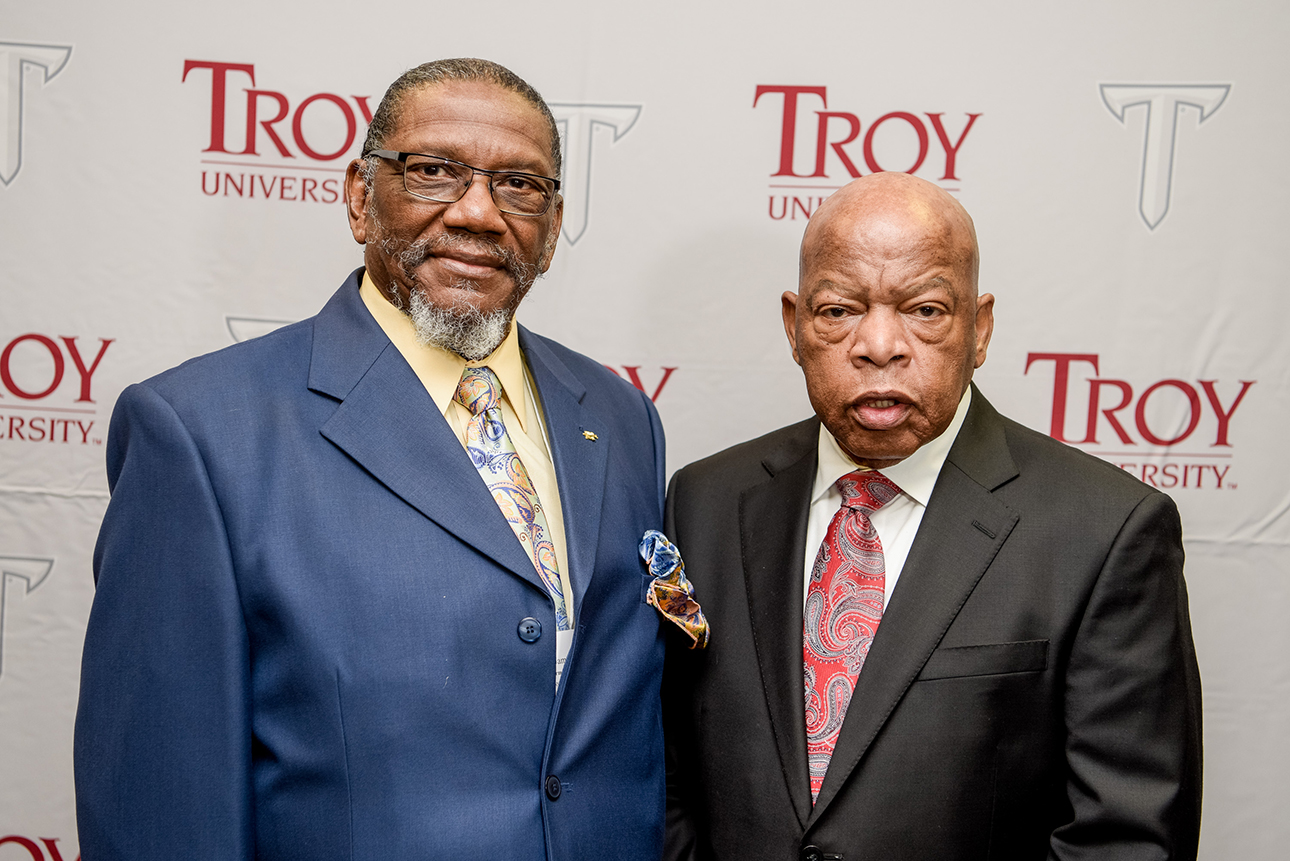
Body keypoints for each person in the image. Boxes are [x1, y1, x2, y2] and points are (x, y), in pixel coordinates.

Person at [75, 58, 671, 860]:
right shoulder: (199, 433)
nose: (478, 213)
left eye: (519, 186)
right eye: (433, 172)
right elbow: (161, 803)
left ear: (554, 225)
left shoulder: (621, 416)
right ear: (360, 198)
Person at [662, 172, 1202, 861]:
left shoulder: (1105, 531)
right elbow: (664, 774)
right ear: (795, 326)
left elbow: (1126, 840)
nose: (879, 344)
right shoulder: (705, 501)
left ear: (980, 330)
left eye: (924, 309)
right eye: (838, 311)